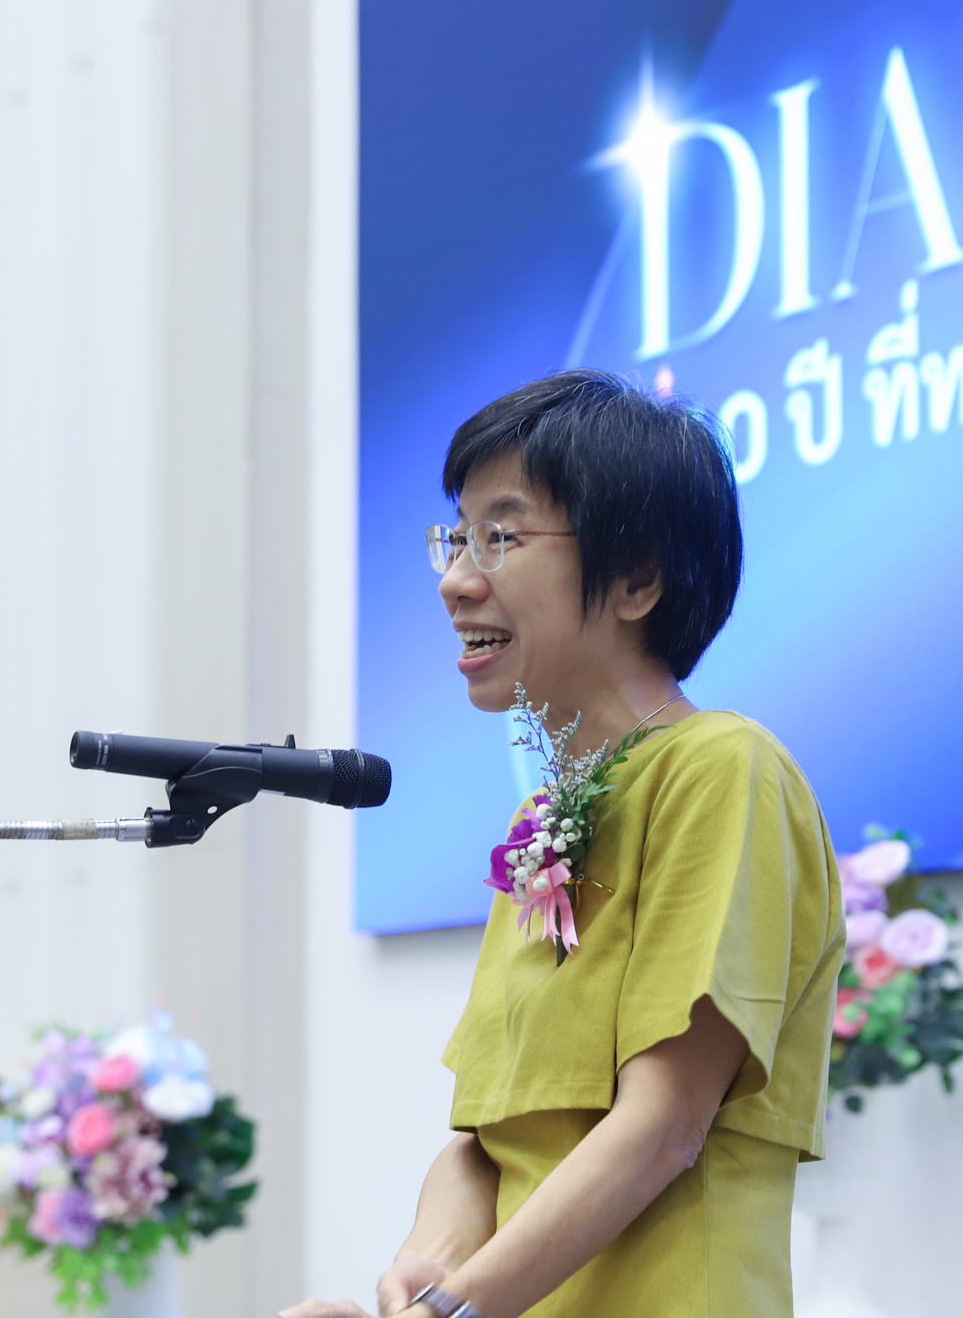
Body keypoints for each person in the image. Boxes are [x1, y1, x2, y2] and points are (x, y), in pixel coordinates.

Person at [281, 370, 845, 1318]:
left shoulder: (721, 766)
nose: (456, 580)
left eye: (501, 537)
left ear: (637, 579)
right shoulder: (538, 823)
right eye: (456, 538)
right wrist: (424, 1270)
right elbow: (482, 1142)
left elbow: (665, 1124)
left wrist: (449, 1313)